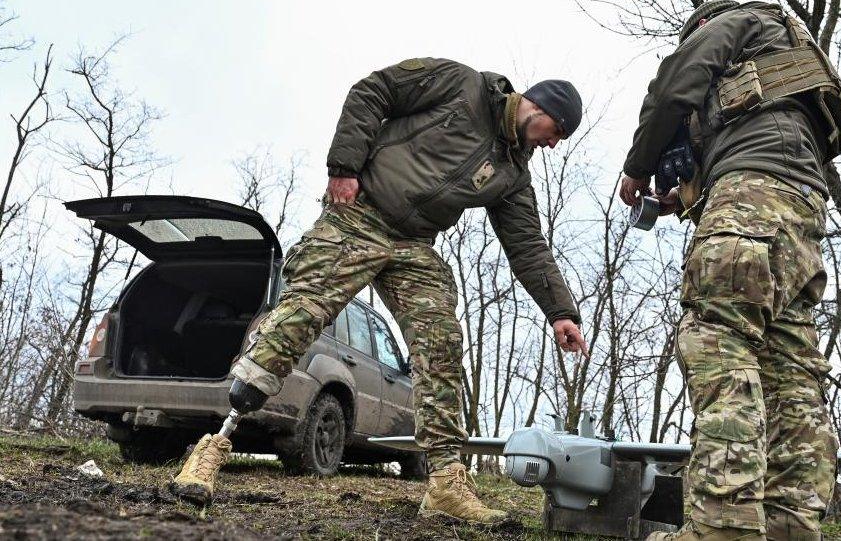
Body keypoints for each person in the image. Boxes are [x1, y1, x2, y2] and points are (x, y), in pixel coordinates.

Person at [170, 57, 588, 524]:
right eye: (556, 131)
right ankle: (211, 449)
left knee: (441, 343)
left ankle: (447, 484)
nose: (552, 143)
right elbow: (375, 90)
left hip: (413, 246)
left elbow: (528, 245)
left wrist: (559, 311)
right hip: (359, 215)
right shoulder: (461, 85)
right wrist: (344, 165)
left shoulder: (512, 175)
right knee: (299, 317)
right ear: (539, 104)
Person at [619, 0, 841, 541]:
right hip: (803, 213)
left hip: (750, 197)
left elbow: (674, 86)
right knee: (790, 372)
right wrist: (688, 195)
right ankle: (789, 527)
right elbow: (755, 135)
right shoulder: (792, 57)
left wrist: (637, 166)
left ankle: (722, 528)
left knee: (717, 338)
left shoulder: (731, 22)